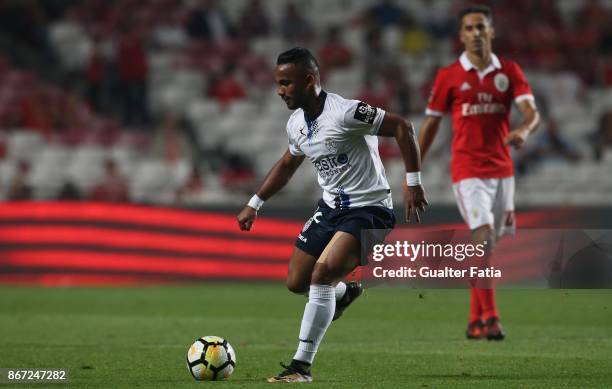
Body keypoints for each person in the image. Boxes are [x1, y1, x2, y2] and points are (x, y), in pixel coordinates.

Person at [236, 47, 427, 382]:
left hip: (369, 209)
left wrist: (412, 182)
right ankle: (344, 293)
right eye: (278, 83)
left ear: (309, 81)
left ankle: (301, 367)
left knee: (321, 275)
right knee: (297, 282)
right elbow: (286, 165)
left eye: (286, 83)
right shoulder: (296, 124)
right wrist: (255, 202)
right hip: (330, 209)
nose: (280, 90)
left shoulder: (346, 112)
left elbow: (402, 127)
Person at [418, 5, 540, 341]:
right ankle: (491, 318)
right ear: (460, 35)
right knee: (482, 240)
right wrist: (415, 168)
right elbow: (431, 123)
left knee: (485, 247)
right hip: (467, 170)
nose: (475, 33)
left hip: (503, 172)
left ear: (491, 31)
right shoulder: (449, 76)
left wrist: (525, 130)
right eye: (469, 28)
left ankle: (473, 320)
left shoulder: (510, 71)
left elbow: (531, 112)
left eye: (481, 27)